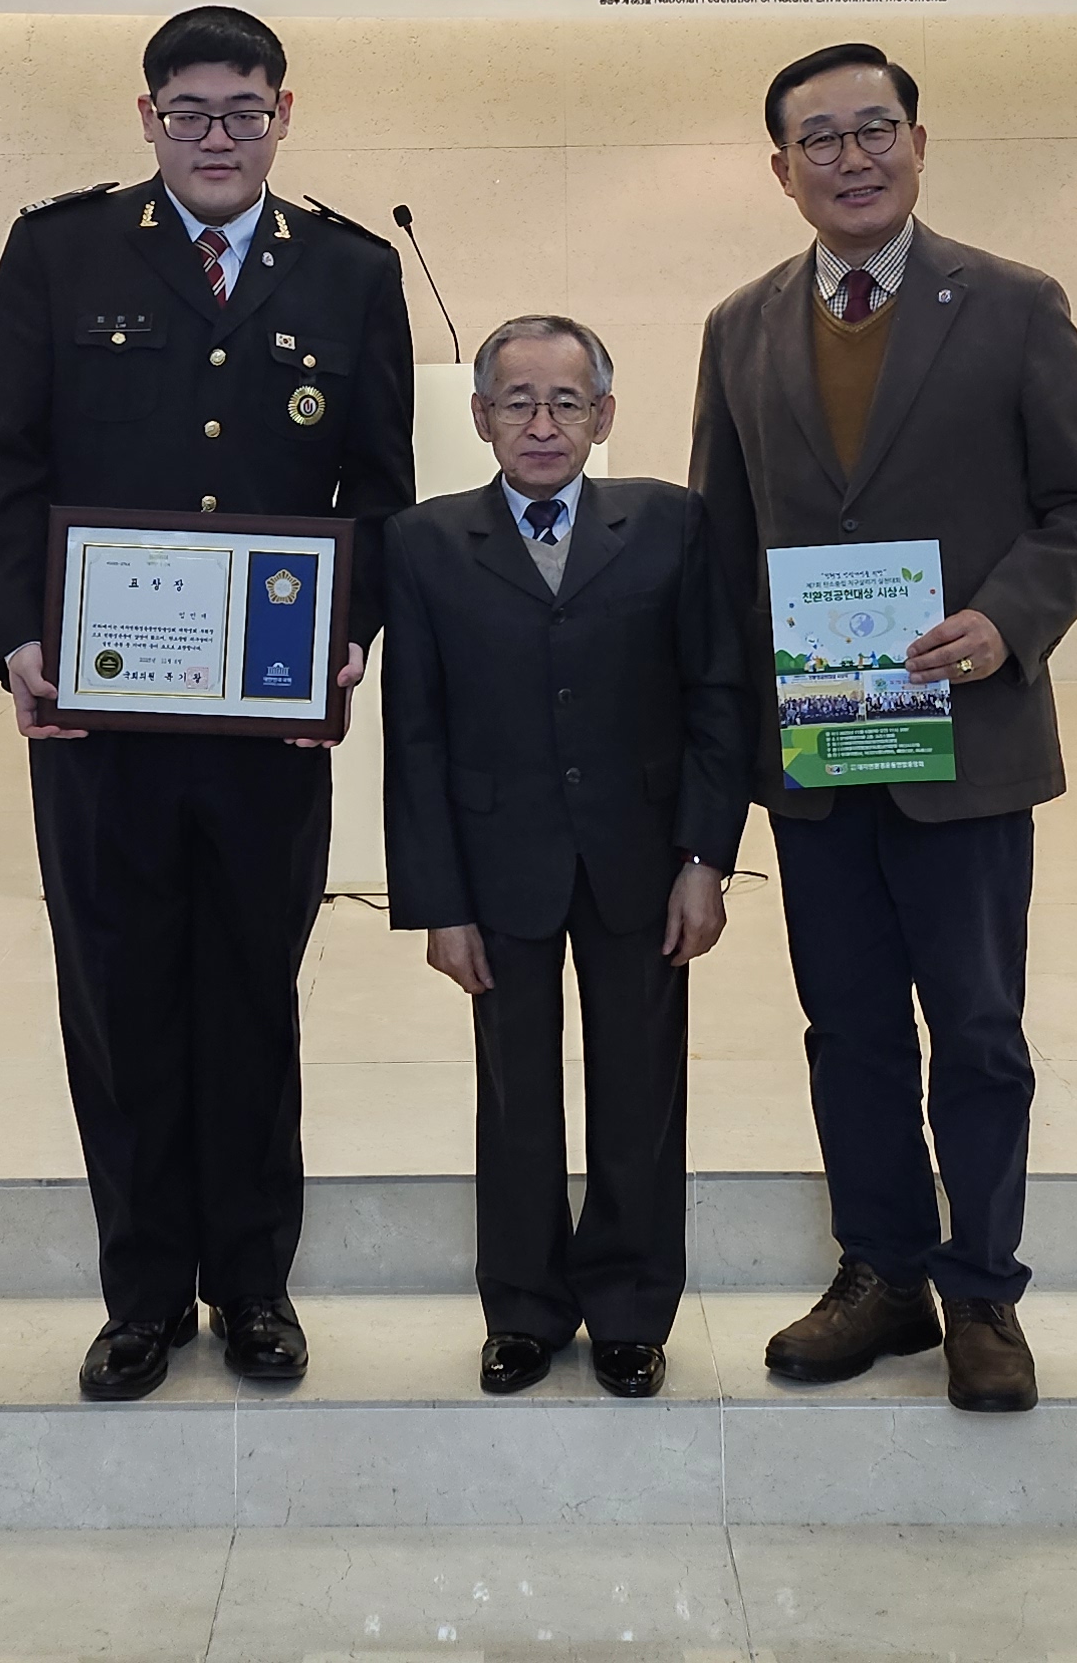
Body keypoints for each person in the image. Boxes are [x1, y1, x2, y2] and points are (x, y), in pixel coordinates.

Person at [0, 6, 416, 1402]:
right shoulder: (61, 251)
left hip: (269, 721)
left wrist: (347, 634)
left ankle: (255, 1287)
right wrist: (18, 640)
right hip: (99, 724)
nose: (219, 137)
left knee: (253, 994)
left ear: (285, 115)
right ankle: (143, 1297)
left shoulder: (350, 271)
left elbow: (378, 490)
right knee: (119, 999)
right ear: (146, 116)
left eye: (245, 112)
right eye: (191, 113)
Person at [688, 41, 1077, 1414]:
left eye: (874, 129)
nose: (852, 158)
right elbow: (723, 553)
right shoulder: (739, 327)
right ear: (780, 170)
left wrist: (1005, 620)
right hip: (819, 756)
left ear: (920, 145)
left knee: (979, 1031)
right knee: (850, 1029)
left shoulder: (1013, 307)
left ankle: (983, 1289)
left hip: (968, 746)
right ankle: (881, 1276)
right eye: (818, 139)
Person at [382, 316, 750, 1400]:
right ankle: (524, 1310)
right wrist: (439, 903)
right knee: (515, 1096)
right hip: (499, 868)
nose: (541, 424)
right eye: (517, 402)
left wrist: (705, 857)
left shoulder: (671, 523)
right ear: (480, 416)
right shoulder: (425, 542)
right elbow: (415, 736)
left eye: (566, 403)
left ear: (604, 415)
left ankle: (632, 1309)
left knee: (641, 1090)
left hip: (643, 861)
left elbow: (715, 697)